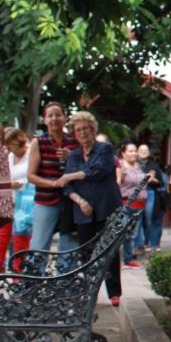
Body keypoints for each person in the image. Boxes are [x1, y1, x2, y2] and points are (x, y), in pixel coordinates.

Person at [60, 111, 123, 305]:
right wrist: (80, 201)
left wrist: (70, 176)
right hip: (83, 211)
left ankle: (114, 292)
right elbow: (67, 188)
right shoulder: (74, 155)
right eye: (78, 130)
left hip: (106, 207)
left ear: (93, 129)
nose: (82, 132)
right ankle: (89, 292)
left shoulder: (104, 148)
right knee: (86, 253)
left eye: (85, 128)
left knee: (110, 251)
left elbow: (98, 171)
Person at [27, 101, 79, 252]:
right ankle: (36, 268)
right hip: (46, 200)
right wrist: (53, 183)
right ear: (45, 120)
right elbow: (31, 176)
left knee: (69, 246)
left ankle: (66, 269)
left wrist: (71, 156)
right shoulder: (39, 142)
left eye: (58, 115)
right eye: (50, 116)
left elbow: (85, 167)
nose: (54, 119)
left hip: (72, 201)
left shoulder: (75, 141)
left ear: (65, 118)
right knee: (39, 246)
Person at [0, 127, 34, 273]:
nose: (9, 149)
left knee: (20, 243)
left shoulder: (31, 154)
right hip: (8, 203)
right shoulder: (10, 156)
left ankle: (18, 278)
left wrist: (18, 184)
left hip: (25, 205)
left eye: (11, 145)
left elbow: (32, 177)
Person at [117, 140, 147, 268]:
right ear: (123, 153)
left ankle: (128, 259)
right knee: (122, 233)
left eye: (135, 151)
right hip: (125, 205)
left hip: (139, 206)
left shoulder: (139, 166)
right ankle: (116, 261)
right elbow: (117, 184)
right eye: (130, 151)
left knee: (132, 234)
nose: (134, 153)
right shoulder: (120, 166)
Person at [138, 143, 166, 254]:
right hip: (137, 195)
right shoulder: (135, 165)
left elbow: (161, 182)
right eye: (141, 150)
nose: (143, 152)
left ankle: (153, 245)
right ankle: (140, 245)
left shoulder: (154, 166)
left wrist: (153, 180)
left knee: (151, 220)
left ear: (149, 153)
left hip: (150, 193)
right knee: (138, 222)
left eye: (145, 150)